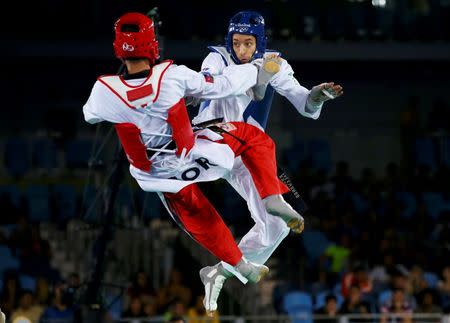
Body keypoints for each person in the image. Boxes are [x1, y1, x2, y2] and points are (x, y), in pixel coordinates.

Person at [83, 12, 303, 289]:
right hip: (193, 154)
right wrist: (256, 71)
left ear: (117, 48)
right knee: (254, 138)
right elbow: (222, 86)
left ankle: (239, 263)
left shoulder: (102, 91)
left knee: (198, 216)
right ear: (153, 45)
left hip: (154, 174)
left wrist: (138, 107)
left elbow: (90, 115)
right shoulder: (173, 76)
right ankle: (272, 197)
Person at [193, 10, 343, 314]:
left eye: (249, 44)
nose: (242, 50)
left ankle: (220, 272)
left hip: (247, 153)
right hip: (212, 139)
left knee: (277, 226)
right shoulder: (216, 58)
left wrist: (316, 97)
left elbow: (304, 103)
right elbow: (217, 85)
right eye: (236, 43)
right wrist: (257, 81)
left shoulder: (275, 62)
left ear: (260, 42)